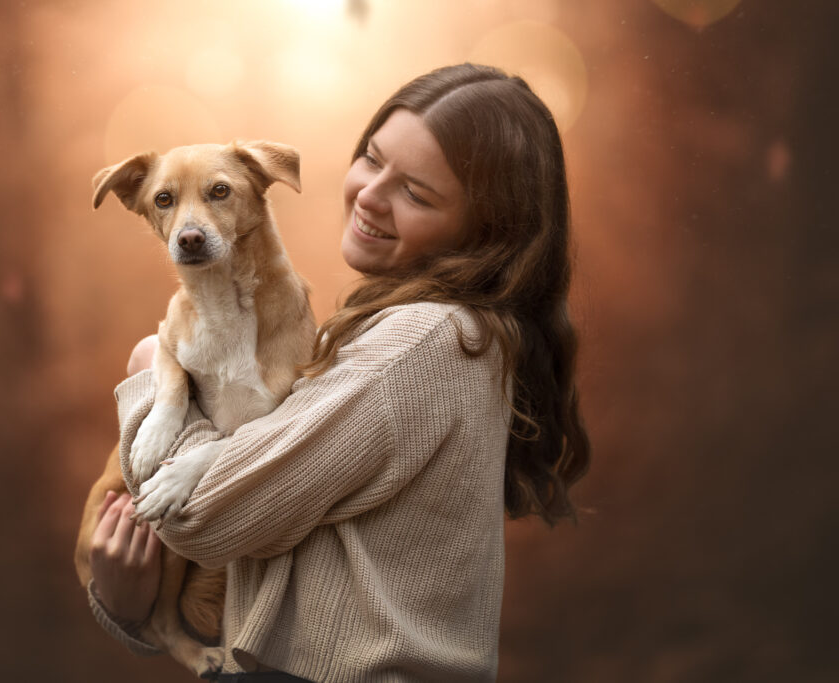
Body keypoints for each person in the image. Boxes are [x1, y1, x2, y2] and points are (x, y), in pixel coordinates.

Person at [86, 63, 590, 682]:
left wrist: (148, 371)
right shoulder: (414, 332)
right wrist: (133, 608)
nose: (371, 195)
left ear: (488, 225)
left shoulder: (424, 343)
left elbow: (206, 518)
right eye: (373, 159)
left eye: (416, 193)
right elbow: (272, 555)